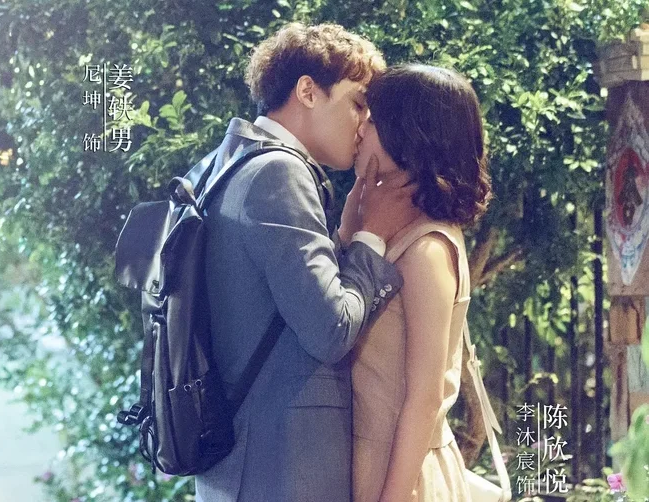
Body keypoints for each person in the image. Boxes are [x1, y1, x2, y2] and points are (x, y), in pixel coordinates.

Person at [194, 24, 420, 502]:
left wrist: (345, 237)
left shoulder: (228, 162)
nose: (364, 124)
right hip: (281, 470)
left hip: (245, 467)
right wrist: (372, 236)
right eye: (358, 104)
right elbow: (330, 330)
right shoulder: (279, 173)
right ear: (308, 91)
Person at [339, 64, 492, 502]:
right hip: (367, 460)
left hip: (398, 474)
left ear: (407, 137)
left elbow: (425, 397)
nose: (359, 129)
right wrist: (352, 224)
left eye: (372, 120)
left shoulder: (426, 250)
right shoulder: (388, 229)